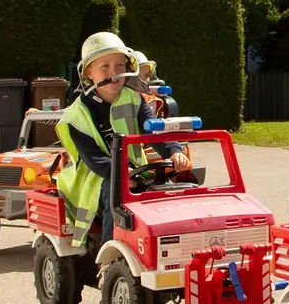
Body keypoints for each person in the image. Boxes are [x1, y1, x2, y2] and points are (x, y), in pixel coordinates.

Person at [54, 32, 190, 246]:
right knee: (115, 194)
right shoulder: (76, 115)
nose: (114, 73)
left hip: (134, 170)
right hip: (96, 179)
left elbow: (153, 132)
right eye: (105, 67)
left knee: (172, 190)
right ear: (89, 72)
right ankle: (112, 253)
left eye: (119, 66)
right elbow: (93, 158)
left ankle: (166, 244)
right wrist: (120, 174)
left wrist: (174, 150)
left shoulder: (134, 100)